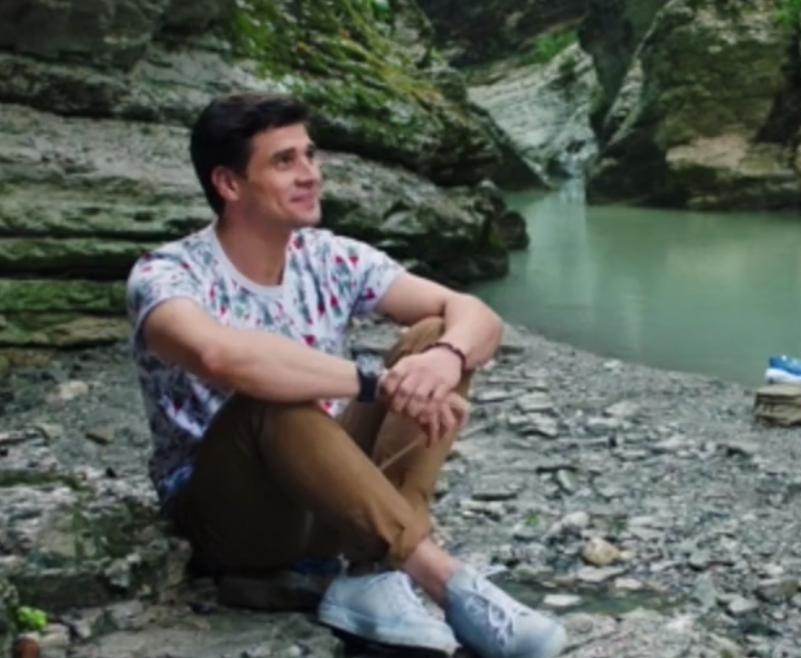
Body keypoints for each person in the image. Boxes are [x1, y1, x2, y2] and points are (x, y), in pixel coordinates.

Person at [125, 93, 565, 658]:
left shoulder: (327, 256)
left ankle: (372, 571)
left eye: (310, 155)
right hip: (235, 518)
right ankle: (444, 581)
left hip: (328, 489)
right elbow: (220, 357)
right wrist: (375, 383)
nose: (311, 174)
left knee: (433, 335)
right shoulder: (166, 274)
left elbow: (475, 315)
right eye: (284, 161)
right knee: (273, 401)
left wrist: (447, 357)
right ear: (229, 184)